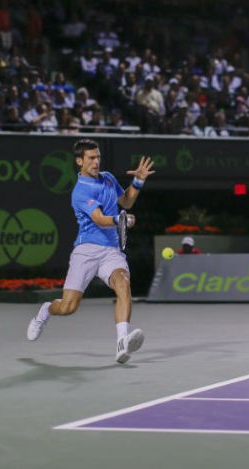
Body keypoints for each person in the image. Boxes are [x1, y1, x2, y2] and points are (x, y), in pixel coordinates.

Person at [26, 139, 156, 364]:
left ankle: (121, 343)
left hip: (111, 250)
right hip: (86, 251)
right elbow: (99, 219)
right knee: (68, 307)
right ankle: (46, 310)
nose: (96, 162)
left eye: (98, 157)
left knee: (123, 284)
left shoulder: (108, 178)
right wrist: (120, 220)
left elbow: (125, 201)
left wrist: (137, 182)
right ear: (80, 161)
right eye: (91, 158)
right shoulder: (79, 191)